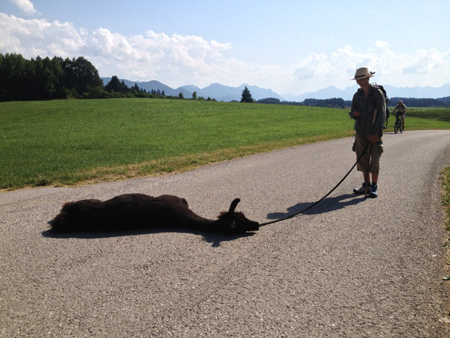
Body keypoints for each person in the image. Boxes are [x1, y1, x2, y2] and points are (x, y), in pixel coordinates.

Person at [349, 67, 386, 198]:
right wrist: (355, 114)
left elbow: (382, 114)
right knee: (362, 160)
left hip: (374, 134)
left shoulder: (377, 94)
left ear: (368, 78)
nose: (359, 82)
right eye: (357, 79)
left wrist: (376, 134)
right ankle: (366, 185)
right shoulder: (357, 95)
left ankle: (374, 187)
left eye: (361, 79)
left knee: (374, 160)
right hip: (361, 133)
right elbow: (352, 113)